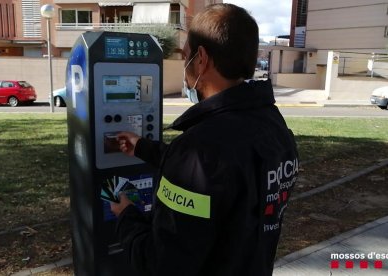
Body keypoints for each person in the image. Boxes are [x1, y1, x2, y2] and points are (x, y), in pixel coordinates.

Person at [111, 3, 299, 276]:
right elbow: (223, 178)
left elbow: (161, 264)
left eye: (185, 54)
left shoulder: (201, 146)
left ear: (201, 59)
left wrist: (126, 216)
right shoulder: (272, 125)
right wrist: (144, 148)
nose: (183, 64)